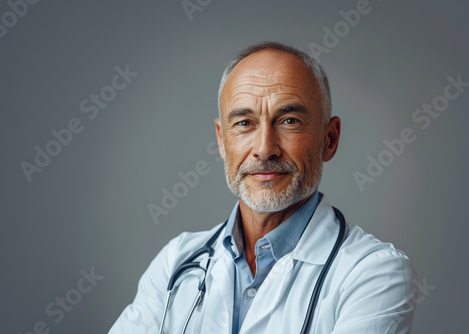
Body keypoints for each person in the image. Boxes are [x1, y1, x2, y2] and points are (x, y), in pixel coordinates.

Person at [109, 41, 416, 334]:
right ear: (221, 140)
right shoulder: (176, 263)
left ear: (329, 139)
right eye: (244, 123)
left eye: (289, 120)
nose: (265, 149)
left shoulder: (375, 274)